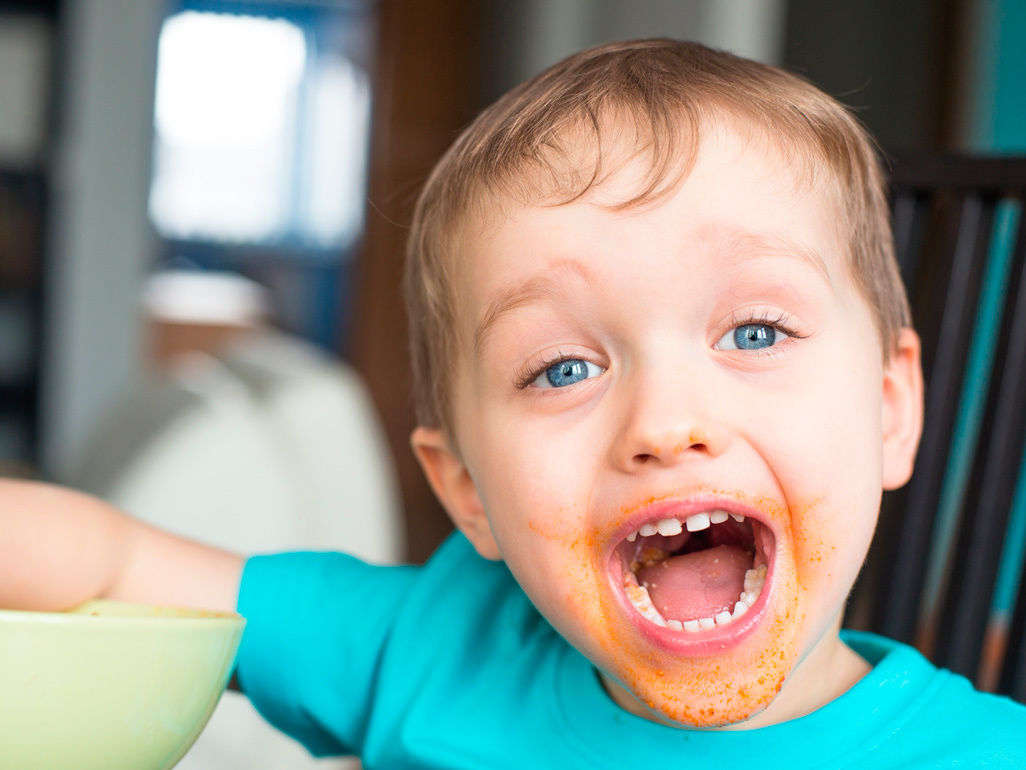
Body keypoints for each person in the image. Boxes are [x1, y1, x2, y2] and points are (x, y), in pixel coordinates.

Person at [3, 38, 1025, 767]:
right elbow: (115, 561)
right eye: (562, 368)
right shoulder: (432, 648)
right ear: (467, 491)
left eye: (754, 333)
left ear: (891, 406)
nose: (667, 423)